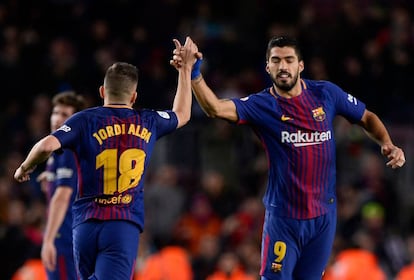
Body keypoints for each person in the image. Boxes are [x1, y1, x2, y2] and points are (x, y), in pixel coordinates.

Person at [171, 36, 406, 279]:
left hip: (323, 219)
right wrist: (194, 72)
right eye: (276, 60)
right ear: (268, 67)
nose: (283, 66)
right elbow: (215, 108)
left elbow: (367, 117)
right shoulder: (261, 105)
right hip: (284, 221)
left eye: (289, 60)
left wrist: (387, 143)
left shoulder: (325, 93)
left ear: (300, 65)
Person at [14, 36, 198, 280]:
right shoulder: (148, 120)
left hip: (85, 226)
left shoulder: (83, 120)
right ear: (133, 97)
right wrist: (185, 71)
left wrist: (25, 167)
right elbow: (182, 113)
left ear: (102, 92)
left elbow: (47, 144)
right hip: (121, 225)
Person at [37, 91, 86, 279]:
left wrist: (48, 239)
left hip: (65, 238)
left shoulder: (66, 148)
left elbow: (63, 195)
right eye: (55, 112)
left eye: (65, 115)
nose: (57, 119)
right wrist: (50, 180)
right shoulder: (58, 149)